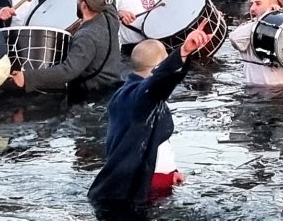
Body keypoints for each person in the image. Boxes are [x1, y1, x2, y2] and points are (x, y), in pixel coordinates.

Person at [87, 24, 214, 221]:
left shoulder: (140, 95)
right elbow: (157, 84)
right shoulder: (137, 96)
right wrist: (182, 52)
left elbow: (152, 138)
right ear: (157, 69)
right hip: (136, 192)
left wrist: (172, 172)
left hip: (157, 187)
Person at [8, 0, 125, 99]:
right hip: (116, 88)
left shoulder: (86, 36)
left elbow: (68, 71)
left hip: (94, 95)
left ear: (84, 5)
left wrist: (27, 77)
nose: (77, 1)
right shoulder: (111, 16)